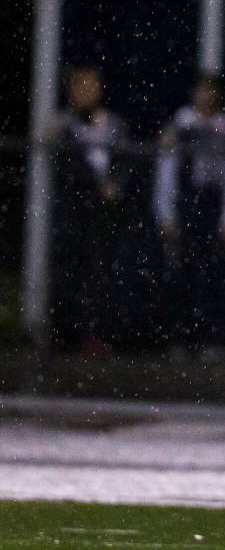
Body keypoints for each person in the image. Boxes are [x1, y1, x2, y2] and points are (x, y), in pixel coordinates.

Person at [153, 76, 225, 358]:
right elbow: (166, 172)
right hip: (186, 202)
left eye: (212, 92)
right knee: (182, 272)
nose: (206, 97)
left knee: (212, 272)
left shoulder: (224, 128)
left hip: (210, 205)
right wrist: (165, 212)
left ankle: (210, 337)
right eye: (202, 91)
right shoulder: (180, 126)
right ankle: (180, 337)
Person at [49, 65, 130, 355]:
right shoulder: (64, 125)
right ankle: (64, 332)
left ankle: (92, 332)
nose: (87, 92)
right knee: (68, 267)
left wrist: (115, 184)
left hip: (103, 209)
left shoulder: (113, 124)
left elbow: (124, 159)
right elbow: (68, 163)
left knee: (98, 269)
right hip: (75, 205)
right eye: (81, 87)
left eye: (92, 86)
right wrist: (98, 184)